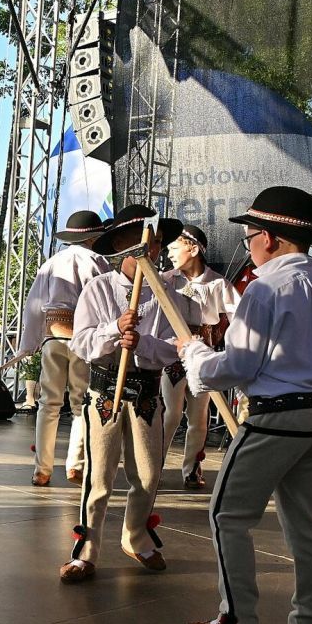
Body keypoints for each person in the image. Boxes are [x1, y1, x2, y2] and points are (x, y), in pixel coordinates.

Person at [180, 186, 312, 624]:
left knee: (227, 515)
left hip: (279, 417)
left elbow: (238, 366)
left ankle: (237, 621)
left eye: (250, 236)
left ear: (269, 239)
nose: (250, 245)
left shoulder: (263, 288)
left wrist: (194, 353)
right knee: (308, 525)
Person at [59, 205, 191, 584]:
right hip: (105, 392)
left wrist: (143, 343)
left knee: (148, 475)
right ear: (120, 246)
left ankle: (135, 536)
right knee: (98, 478)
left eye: (156, 242)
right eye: (142, 241)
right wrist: (115, 329)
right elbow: (82, 343)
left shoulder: (168, 294)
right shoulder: (98, 288)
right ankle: (87, 550)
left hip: (147, 394)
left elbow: (176, 347)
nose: (152, 249)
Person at [14, 209, 110, 487]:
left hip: (53, 338)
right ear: (93, 238)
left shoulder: (52, 263)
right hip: (83, 338)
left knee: (48, 403)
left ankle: (42, 469)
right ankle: (75, 465)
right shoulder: (99, 262)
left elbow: (34, 306)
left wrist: (29, 344)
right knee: (80, 403)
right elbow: (106, 304)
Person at [160, 222, 239, 490]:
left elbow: (239, 316)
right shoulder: (166, 280)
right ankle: (154, 464)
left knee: (199, 416)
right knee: (171, 413)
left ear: (193, 249)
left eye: (174, 248)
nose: (169, 253)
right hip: (172, 353)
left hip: (203, 353)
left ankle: (192, 469)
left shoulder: (217, 283)